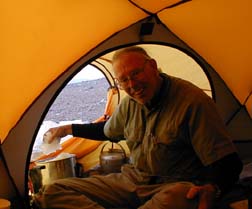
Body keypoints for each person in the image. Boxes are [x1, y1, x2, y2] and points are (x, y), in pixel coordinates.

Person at [36, 46, 243, 209]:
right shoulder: (129, 103)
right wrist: (67, 129)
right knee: (54, 191)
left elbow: (228, 162)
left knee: (179, 198)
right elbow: (108, 131)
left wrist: (212, 189)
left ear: (153, 67)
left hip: (172, 185)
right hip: (133, 180)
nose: (132, 85)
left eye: (135, 74)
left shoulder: (192, 102)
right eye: (124, 80)